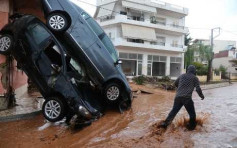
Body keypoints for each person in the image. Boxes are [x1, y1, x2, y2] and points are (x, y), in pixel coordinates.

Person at [159, 65, 205, 130]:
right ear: (194, 71)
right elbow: (198, 89)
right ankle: (191, 128)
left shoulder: (181, 76)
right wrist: (202, 96)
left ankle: (165, 124)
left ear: (187, 70)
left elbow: (175, 84)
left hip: (178, 97)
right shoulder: (195, 78)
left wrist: (181, 87)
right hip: (187, 98)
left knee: (173, 112)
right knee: (192, 114)